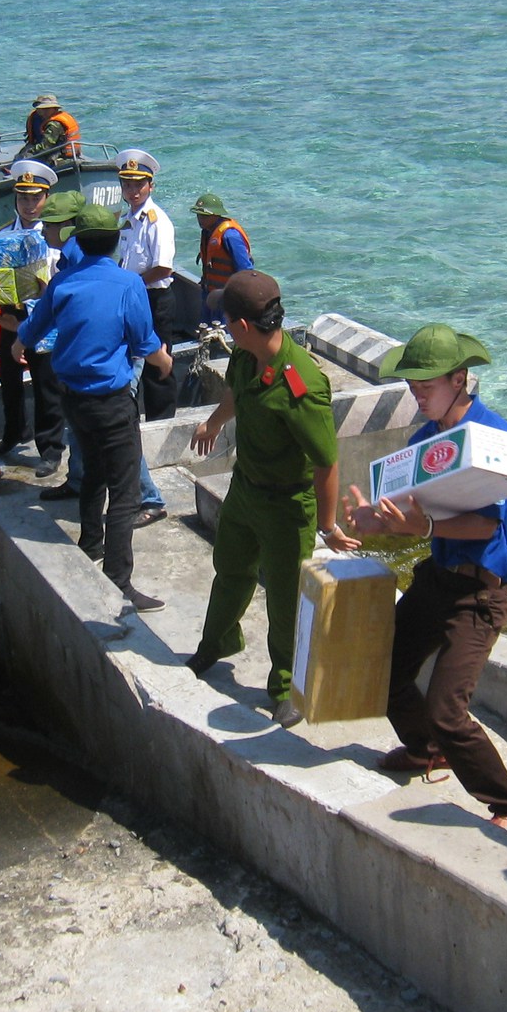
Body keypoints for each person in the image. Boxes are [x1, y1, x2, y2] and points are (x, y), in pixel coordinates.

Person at [340, 325, 507, 825]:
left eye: (427, 384)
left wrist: (421, 524)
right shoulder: (424, 440)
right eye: (412, 385)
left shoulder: (495, 438)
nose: (417, 394)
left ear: (460, 379)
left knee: (450, 709)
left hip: (482, 592)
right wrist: (374, 521)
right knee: (384, 670)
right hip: (438, 577)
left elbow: (486, 522)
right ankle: (428, 750)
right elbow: (410, 515)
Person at [188, 271, 357, 728]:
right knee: (230, 570)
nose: (222, 324)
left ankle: (285, 686)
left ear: (243, 325)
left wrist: (327, 525)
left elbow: (326, 460)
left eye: (226, 318)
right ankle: (217, 644)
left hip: (287, 507)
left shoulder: (300, 385)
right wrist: (214, 422)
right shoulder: (244, 357)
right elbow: (236, 395)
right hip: (246, 490)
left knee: (284, 601)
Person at [15, 203, 173, 613]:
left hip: (73, 399)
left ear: (78, 241)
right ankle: (119, 582)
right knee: (123, 495)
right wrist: (165, 362)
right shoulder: (127, 284)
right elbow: (143, 342)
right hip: (111, 401)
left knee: (92, 476)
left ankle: (91, 544)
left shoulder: (64, 282)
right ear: (115, 241)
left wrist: (18, 344)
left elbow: (33, 329)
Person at [0, 160, 65, 474]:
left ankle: (50, 448)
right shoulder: (1, 235)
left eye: (36, 198)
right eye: (24, 198)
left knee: (47, 383)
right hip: (11, 317)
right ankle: (13, 433)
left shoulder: (54, 239)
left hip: (43, 319)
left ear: (46, 198)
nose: (30, 205)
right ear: (15, 199)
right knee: (8, 378)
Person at [115, 148, 178, 421]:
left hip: (155, 299)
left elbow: (163, 266)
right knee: (131, 357)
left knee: (158, 365)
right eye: (127, 184)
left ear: (151, 185)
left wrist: (133, 284)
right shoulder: (127, 220)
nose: (133, 190)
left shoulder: (157, 221)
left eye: (139, 184)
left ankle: (161, 421)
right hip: (134, 296)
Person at [193, 194, 253, 325]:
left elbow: (245, 269)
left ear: (216, 215)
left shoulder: (230, 235)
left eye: (204, 216)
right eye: (198, 215)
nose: (200, 219)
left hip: (227, 297)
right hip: (209, 293)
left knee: (225, 332)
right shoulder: (207, 232)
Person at [22, 92, 81, 159]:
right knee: (20, 156)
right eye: (42, 109)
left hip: (59, 156)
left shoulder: (55, 125)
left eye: (47, 109)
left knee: (24, 157)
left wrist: (30, 151)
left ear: (55, 109)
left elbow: (46, 146)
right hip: (55, 151)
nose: (43, 112)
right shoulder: (46, 119)